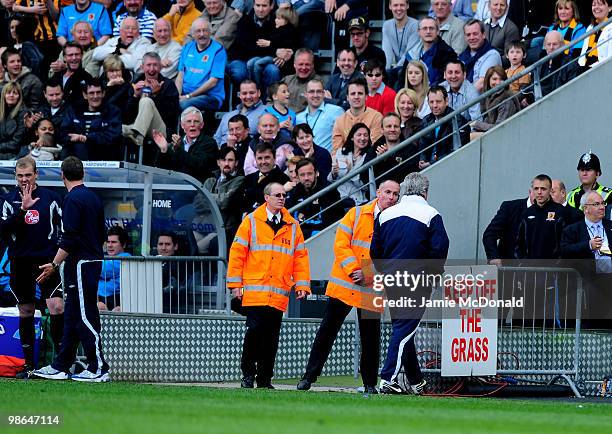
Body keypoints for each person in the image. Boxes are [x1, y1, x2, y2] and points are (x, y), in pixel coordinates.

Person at [297, 179, 401, 393]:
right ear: (378, 192)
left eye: (395, 194)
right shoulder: (355, 214)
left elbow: (392, 257)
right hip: (346, 284)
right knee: (327, 332)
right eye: (388, 192)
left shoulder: (397, 222)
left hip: (371, 287)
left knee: (370, 338)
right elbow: (341, 244)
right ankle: (308, 377)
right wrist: (356, 270)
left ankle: (369, 383)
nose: (391, 197)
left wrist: (367, 274)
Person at [33, 156, 110, 382]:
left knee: (86, 315)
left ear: (62, 176)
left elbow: (69, 238)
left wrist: (54, 264)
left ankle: (99, 367)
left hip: (81, 263)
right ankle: (61, 365)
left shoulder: (72, 199)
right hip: (90, 261)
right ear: (83, 174)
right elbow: (100, 234)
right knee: (73, 316)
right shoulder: (94, 198)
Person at [228, 181, 310, 389]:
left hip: (278, 292)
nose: (282, 198)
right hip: (255, 291)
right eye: (277, 195)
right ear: (267, 198)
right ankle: (248, 375)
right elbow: (237, 254)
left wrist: (302, 284)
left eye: (283, 195)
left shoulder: (292, 226)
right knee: (254, 333)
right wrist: (235, 284)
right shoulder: (251, 221)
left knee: (271, 338)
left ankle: (264, 379)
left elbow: (300, 257)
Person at [372, 172, 449, 394]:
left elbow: (375, 251)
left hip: (391, 278)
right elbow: (440, 248)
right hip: (417, 278)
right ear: (425, 191)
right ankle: (388, 378)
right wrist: (434, 275)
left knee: (403, 329)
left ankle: (416, 382)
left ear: (405, 190)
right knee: (405, 330)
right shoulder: (431, 214)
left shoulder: (385, 215)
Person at [0, 157, 63, 378]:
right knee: (26, 310)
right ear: (15, 176)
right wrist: (22, 211)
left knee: (56, 307)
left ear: (36, 174)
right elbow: (3, 230)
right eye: (20, 176)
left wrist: (56, 261)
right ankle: (28, 366)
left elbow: (64, 232)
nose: (24, 179)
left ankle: (60, 364)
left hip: (47, 263)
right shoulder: (8, 200)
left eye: (28, 175)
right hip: (21, 264)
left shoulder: (52, 199)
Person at [561, 191, 612, 328]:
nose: (602, 207)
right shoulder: (572, 230)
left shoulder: (610, 226)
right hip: (588, 282)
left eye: (603, 203)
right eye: (596, 204)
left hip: (609, 280)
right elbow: (564, 251)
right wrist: (588, 245)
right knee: (592, 323)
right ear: (586, 208)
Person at [124, 51, 181, 147]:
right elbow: (127, 117)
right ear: (142, 67)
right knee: (117, 128)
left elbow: (172, 115)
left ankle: (137, 133)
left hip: (160, 130)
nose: (151, 69)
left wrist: (156, 94)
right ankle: (136, 132)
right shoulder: (135, 84)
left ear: (160, 67)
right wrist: (135, 96)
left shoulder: (168, 84)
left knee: (146, 101)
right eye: (148, 65)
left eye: (155, 65)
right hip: (137, 126)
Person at [59, 78, 122, 161]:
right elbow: (63, 133)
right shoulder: (74, 110)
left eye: (98, 92)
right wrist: (71, 138)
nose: (95, 96)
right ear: (85, 95)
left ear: (103, 93)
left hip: (104, 154)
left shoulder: (113, 111)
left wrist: (87, 138)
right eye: (91, 93)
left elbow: (113, 136)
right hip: (76, 154)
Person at [152, 106, 218, 181]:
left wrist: (178, 149)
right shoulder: (175, 145)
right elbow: (161, 169)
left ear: (202, 125)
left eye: (196, 121)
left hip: (198, 189)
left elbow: (199, 166)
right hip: (175, 186)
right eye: (189, 121)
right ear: (182, 125)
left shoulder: (209, 143)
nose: (192, 124)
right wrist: (164, 150)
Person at [176, 17, 227, 112]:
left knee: (183, 104)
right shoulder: (187, 47)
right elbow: (180, 75)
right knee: (165, 100)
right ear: (193, 34)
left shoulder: (218, 50)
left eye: (205, 30)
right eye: (198, 31)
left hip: (209, 97)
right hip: (185, 94)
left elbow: (213, 81)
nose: (202, 34)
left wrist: (189, 96)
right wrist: (177, 95)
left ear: (210, 32)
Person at [246, 5, 298, 90]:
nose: (275, 20)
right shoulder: (275, 28)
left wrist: (270, 43)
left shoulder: (289, 30)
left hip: (275, 59)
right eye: (276, 18)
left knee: (258, 64)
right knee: (250, 63)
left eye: (278, 19)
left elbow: (284, 43)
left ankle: (257, 87)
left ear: (286, 21)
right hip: (270, 54)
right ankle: (252, 85)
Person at [516, 174, 567, 260]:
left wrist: (558, 264)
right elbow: (519, 243)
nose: (539, 192)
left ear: (550, 190)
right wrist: (522, 263)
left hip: (554, 269)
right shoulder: (527, 213)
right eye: (536, 188)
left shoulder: (560, 211)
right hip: (530, 269)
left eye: (543, 189)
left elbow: (565, 243)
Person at [203, 147, 245, 249]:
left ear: (236, 163)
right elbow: (199, 203)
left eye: (230, 160)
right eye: (223, 160)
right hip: (205, 227)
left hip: (225, 230)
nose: (226, 163)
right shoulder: (210, 181)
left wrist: (208, 196)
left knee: (202, 246)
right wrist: (217, 198)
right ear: (218, 162)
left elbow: (225, 202)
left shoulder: (240, 180)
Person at [418, 86, 470, 169]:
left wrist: (431, 163)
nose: (434, 105)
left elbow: (456, 151)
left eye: (438, 102)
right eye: (431, 102)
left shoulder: (458, 121)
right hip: (428, 167)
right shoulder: (426, 120)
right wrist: (422, 159)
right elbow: (422, 145)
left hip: (449, 167)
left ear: (446, 101)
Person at [331, 77, 383, 152]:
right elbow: (337, 150)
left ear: (366, 97)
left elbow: (375, 147)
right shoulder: (339, 121)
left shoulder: (376, 117)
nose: (356, 97)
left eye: (360, 93)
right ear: (347, 98)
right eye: (353, 94)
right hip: (344, 161)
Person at [483, 189, 534, 265]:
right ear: (530, 191)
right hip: (509, 268)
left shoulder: (552, 212)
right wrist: (494, 257)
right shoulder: (510, 208)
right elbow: (490, 234)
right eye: (537, 188)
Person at [366, 112, 419, 183]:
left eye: (396, 126)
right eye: (388, 126)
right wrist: (378, 161)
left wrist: (387, 159)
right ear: (382, 130)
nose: (392, 129)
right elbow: (364, 176)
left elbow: (410, 174)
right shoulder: (375, 148)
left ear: (400, 129)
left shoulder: (410, 148)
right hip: (378, 192)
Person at [404, 17, 458, 86]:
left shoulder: (447, 53)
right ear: (418, 32)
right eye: (425, 28)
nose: (428, 31)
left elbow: (445, 81)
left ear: (438, 31)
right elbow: (403, 79)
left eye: (431, 28)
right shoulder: (411, 53)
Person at [296, 79, 344, 152]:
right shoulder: (298, 118)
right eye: (311, 92)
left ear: (324, 93)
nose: (315, 95)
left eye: (319, 91)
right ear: (306, 94)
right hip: (305, 161)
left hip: (327, 160)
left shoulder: (336, 111)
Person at [470, 65, 520, 136]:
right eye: (494, 79)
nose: (498, 82)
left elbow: (499, 127)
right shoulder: (487, 97)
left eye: (501, 79)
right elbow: (486, 119)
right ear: (488, 80)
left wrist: (477, 124)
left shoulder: (506, 100)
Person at [329, 123, 371, 206]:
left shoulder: (370, 155)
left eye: (366, 135)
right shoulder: (341, 152)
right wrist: (334, 173)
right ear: (352, 137)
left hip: (358, 199)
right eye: (359, 135)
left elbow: (366, 186)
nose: (362, 138)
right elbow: (331, 179)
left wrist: (350, 172)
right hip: (339, 196)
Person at [214, 80, 266, 147]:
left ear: (259, 93)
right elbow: (216, 139)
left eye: (252, 93)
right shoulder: (228, 115)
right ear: (239, 95)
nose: (248, 97)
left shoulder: (266, 112)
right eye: (244, 93)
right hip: (221, 154)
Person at [242, 142, 290, 213]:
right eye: (260, 158)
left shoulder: (284, 180)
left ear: (274, 158)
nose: (263, 162)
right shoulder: (248, 179)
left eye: (267, 158)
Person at [459, 19, 502, 92]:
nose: (472, 38)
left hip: (481, 102)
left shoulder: (492, 55)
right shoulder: (462, 57)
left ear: (483, 35)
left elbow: (481, 84)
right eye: (468, 35)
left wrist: (462, 98)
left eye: (475, 34)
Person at [382, 0, 419, 84]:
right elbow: (387, 53)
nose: (398, 8)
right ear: (390, 6)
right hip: (395, 69)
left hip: (411, 66)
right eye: (395, 5)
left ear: (407, 6)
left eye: (402, 5)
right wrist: (384, 72)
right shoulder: (386, 25)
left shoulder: (415, 25)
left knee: (399, 74)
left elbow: (409, 54)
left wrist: (394, 70)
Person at [98, 226, 131, 312]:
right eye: (108, 242)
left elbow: (100, 270)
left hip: (115, 299)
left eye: (114, 242)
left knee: (100, 307)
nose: (109, 245)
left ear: (123, 244)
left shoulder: (126, 258)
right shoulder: (104, 257)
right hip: (99, 297)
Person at [50, 42, 93, 106]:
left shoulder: (87, 78)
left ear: (82, 56)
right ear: (64, 57)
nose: (74, 58)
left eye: (77, 54)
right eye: (70, 55)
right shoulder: (57, 76)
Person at [281, 48, 323, 114]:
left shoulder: (320, 84)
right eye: (300, 64)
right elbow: (271, 100)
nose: (304, 68)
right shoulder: (286, 80)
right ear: (294, 65)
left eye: (307, 64)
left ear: (313, 65)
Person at [539, 30, 580, 96]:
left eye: (555, 44)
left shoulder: (571, 64)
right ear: (545, 46)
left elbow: (572, 90)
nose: (551, 47)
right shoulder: (540, 64)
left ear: (562, 45)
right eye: (549, 44)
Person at [580, 0, 612, 69]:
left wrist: (589, 68)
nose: (596, 7)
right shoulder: (590, 27)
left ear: (610, 8)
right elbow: (583, 54)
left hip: (601, 70)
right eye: (594, 5)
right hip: (585, 69)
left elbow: (610, 59)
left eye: (600, 4)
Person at [0, 81, 28, 160]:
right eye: (8, 93)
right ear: (4, 95)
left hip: (16, 155)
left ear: (19, 96)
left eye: (15, 93)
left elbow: (16, 143)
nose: (11, 95)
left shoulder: (24, 114)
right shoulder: (1, 112)